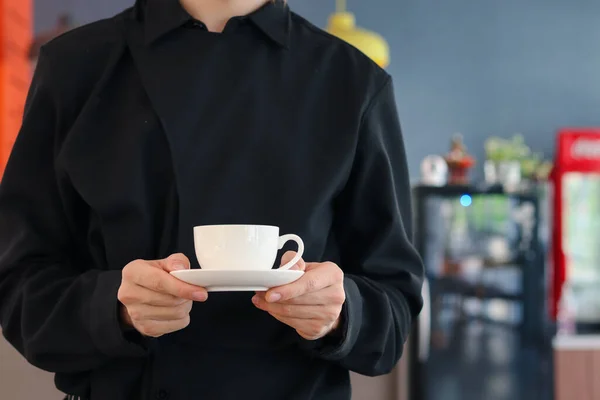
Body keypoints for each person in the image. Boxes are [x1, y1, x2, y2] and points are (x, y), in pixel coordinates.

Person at [0, 0, 424, 399]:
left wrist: (341, 314)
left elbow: (394, 309)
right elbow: (19, 287)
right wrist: (113, 308)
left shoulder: (353, 82)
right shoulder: (75, 67)